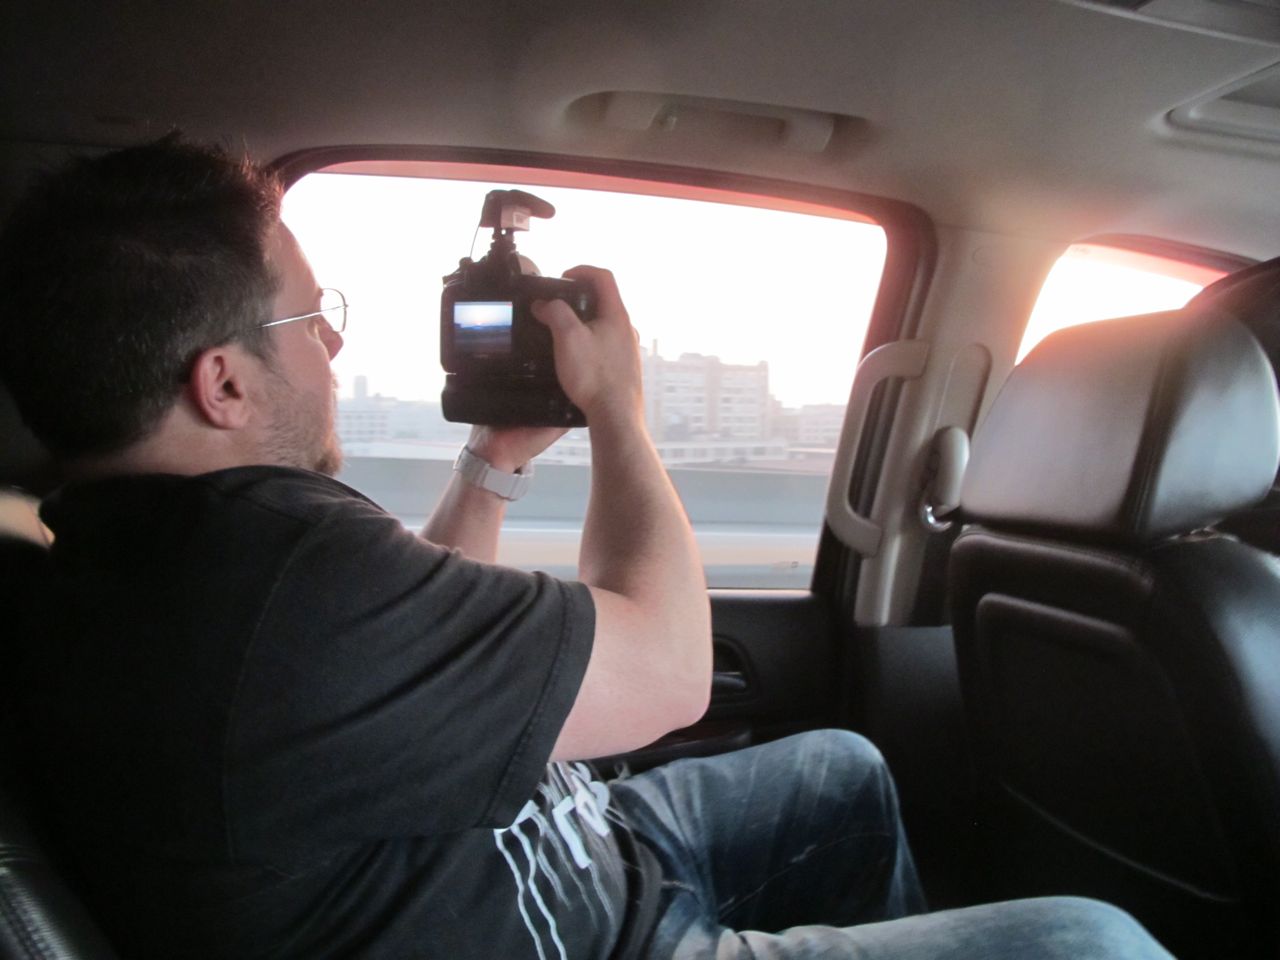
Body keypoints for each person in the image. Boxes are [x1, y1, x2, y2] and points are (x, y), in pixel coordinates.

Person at [0, 135, 1174, 960]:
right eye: (312, 319)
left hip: (582, 857)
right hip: (609, 939)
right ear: (221, 382)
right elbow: (667, 673)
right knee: (1092, 942)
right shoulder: (272, 573)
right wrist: (618, 406)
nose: (334, 351)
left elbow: (415, 633)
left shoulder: (146, 560)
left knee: (843, 772)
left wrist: (494, 457)